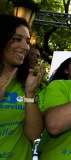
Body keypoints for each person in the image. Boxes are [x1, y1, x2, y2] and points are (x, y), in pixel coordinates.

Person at [0, 14, 45, 160]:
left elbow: (33, 134)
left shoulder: (28, 81)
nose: (25, 47)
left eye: (27, 41)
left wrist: (30, 94)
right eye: (17, 39)